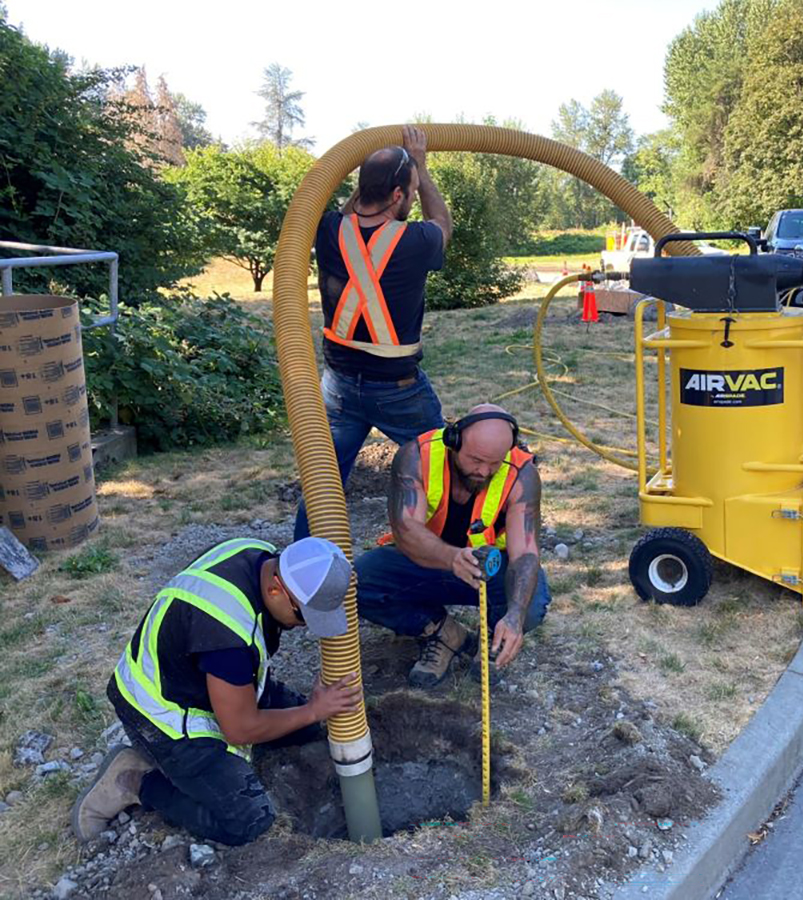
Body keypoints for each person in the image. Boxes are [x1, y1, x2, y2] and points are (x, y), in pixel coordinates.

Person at [71, 536, 361, 846]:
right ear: (275, 588)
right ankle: (135, 781)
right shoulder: (226, 636)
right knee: (249, 822)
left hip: (198, 679)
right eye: (304, 615)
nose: (304, 626)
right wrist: (313, 709)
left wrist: (310, 715)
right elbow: (239, 729)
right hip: (160, 714)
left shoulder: (255, 553)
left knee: (307, 730)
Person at [293, 124, 454, 540]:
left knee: (322, 484)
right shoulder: (416, 240)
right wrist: (421, 165)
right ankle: (446, 555)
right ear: (399, 195)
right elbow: (442, 222)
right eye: (412, 189)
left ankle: (300, 568)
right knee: (443, 470)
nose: (415, 195)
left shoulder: (328, 229)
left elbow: (351, 216)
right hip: (399, 390)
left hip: (340, 386)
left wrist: (373, 182)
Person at [355, 404, 552, 688]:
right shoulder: (416, 456)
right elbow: (406, 530)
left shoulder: (522, 473)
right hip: (425, 559)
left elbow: (525, 554)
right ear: (454, 441)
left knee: (531, 604)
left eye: (494, 463)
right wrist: (452, 558)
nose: (483, 471)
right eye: (475, 460)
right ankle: (442, 632)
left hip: (488, 569)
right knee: (357, 583)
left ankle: (495, 637)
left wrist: (515, 616)